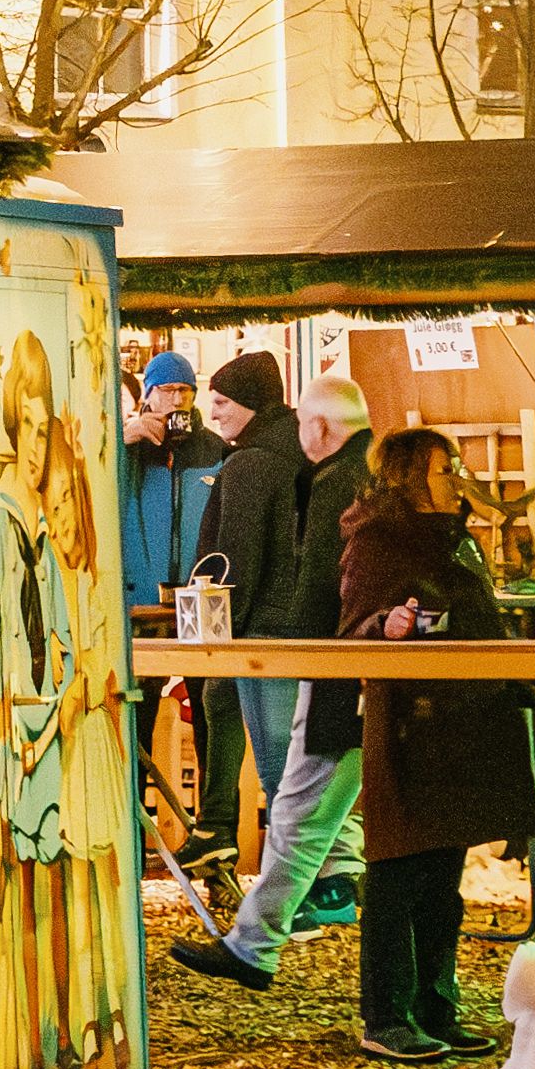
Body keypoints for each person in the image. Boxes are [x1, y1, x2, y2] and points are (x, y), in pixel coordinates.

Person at [315, 427, 535, 1063]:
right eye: (446, 467)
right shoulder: (378, 540)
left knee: (442, 874)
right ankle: (386, 1014)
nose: (457, 477)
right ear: (412, 476)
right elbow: (353, 626)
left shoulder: (454, 538)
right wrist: (389, 625)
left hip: (463, 719)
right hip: (410, 721)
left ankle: (438, 1005)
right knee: (397, 872)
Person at [166, 352, 353, 988]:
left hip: (265, 634)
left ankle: (299, 900)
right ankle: (322, 885)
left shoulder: (247, 464)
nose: (211, 411)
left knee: (285, 771)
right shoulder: (310, 461)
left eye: (222, 400)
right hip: (314, 633)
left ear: (253, 403)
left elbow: (229, 558)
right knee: (315, 769)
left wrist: (206, 637)